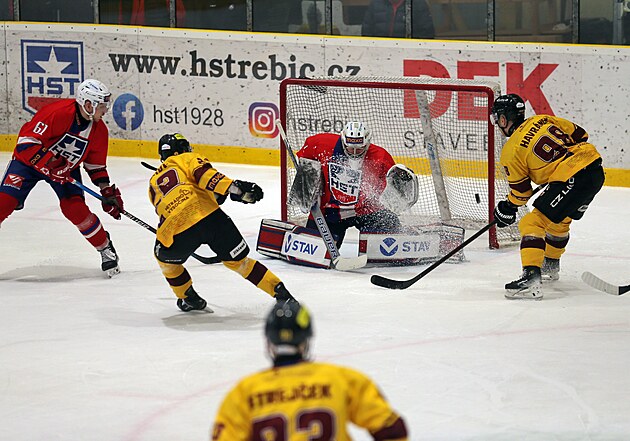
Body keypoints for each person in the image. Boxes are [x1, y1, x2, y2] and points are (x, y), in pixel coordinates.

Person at [212, 301, 409, 440]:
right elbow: (393, 430)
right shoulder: (342, 379)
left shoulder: (244, 392)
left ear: (269, 342)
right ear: (306, 340)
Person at [148, 133, 298, 312]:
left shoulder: (153, 183)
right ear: (181, 149)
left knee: (167, 262)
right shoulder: (187, 158)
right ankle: (281, 294)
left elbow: (169, 205)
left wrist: (224, 194)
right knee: (240, 262)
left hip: (176, 228)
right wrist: (237, 190)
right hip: (212, 219)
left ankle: (188, 297)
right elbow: (205, 176)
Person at [0, 79, 123, 277]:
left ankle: (105, 247)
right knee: (3, 203)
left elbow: (96, 166)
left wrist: (106, 191)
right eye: (102, 106)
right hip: (28, 164)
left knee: (74, 209)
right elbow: (26, 142)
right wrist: (51, 162)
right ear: (88, 105)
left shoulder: (99, 131)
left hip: (65, 170)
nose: (105, 110)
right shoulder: (58, 113)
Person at [491, 93, 605, 300]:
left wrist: (507, 207)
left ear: (503, 119)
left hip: (573, 178)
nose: (497, 124)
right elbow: (581, 135)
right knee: (559, 219)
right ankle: (550, 264)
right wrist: (555, 165)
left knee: (531, 223)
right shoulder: (542, 119)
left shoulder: (511, 150)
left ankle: (531, 278)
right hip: (595, 170)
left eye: (496, 119)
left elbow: (521, 193)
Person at [293, 121, 413, 249]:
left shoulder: (381, 157)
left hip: (366, 210)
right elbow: (306, 159)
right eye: (350, 148)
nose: (354, 152)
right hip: (330, 212)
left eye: (359, 149)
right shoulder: (321, 144)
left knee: (389, 229)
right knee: (317, 252)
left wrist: (401, 188)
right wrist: (305, 191)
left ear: (367, 143)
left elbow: (394, 184)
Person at [362, 0, 435, 39]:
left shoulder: (418, 4)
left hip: (410, 53)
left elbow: (427, 33)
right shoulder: (376, 3)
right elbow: (366, 31)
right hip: (378, 52)